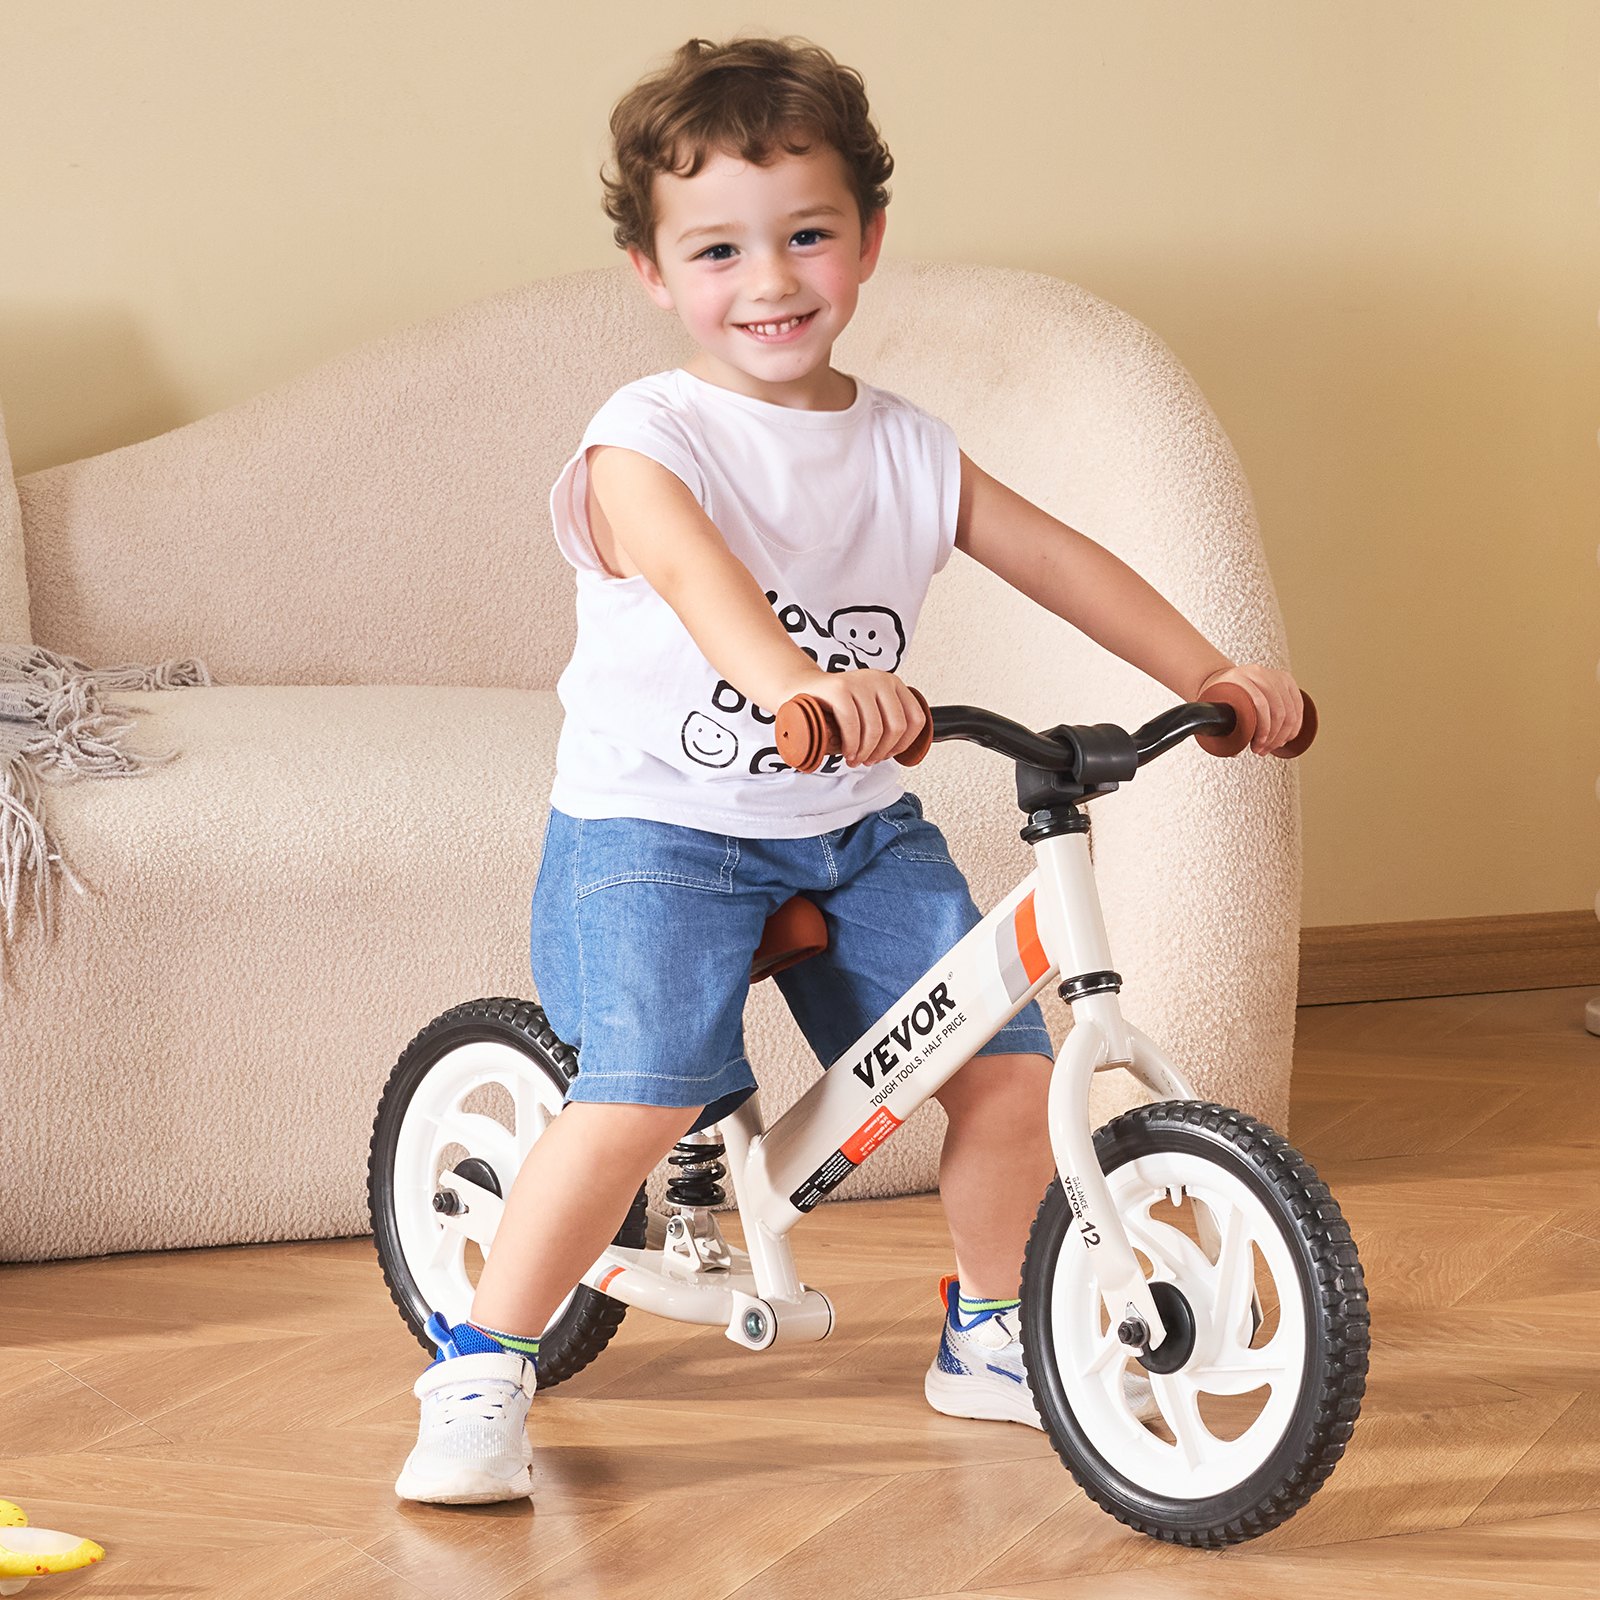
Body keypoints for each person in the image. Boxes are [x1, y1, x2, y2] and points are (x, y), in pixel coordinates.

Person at [395, 33, 1305, 1505]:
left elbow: (1059, 558)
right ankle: (483, 1359)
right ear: (651, 271)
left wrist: (1206, 671)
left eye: (807, 235)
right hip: (657, 827)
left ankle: (996, 1333)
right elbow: (695, 579)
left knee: (1007, 1072)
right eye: (718, 250)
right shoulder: (646, 437)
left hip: (852, 828)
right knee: (636, 1091)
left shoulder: (906, 448)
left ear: (868, 241)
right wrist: (797, 683)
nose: (769, 281)